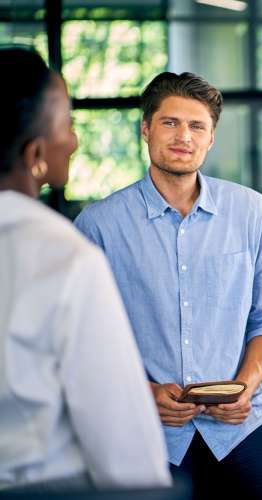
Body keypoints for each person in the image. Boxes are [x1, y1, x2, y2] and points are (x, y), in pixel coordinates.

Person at [74, 72, 262, 499]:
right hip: (146, 428)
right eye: (170, 123)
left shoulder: (249, 210)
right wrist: (145, 393)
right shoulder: (98, 224)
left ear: (211, 137)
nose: (184, 137)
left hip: (238, 425)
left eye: (197, 126)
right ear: (146, 129)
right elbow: (80, 341)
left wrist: (246, 386)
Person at [0, 48, 170, 491]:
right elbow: (124, 445)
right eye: (67, 125)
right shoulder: (63, 257)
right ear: (35, 152)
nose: (74, 140)